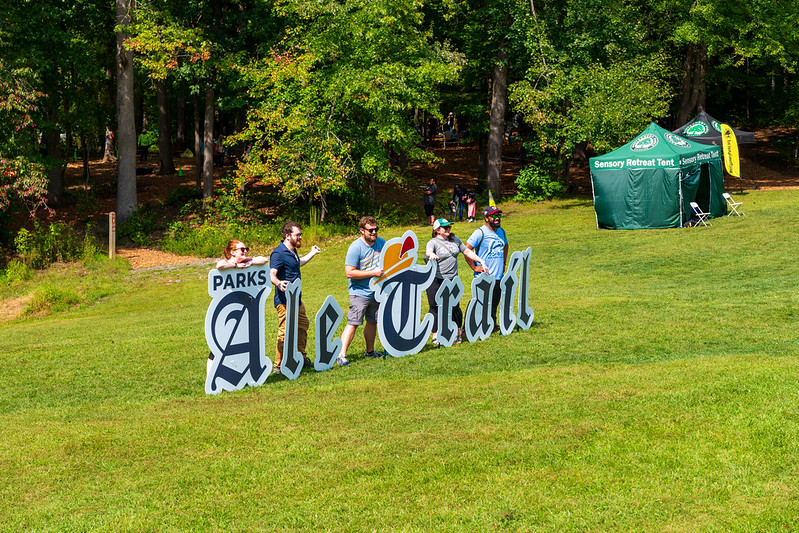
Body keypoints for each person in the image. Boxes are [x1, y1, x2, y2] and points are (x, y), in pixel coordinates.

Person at [425, 218, 488, 345]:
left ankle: (457, 333)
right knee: (435, 307)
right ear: (437, 230)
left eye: (449, 227)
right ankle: (436, 335)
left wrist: (481, 261)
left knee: (455, 307)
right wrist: (431, 255)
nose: (448, 229)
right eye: (445, 227)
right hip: (436, 279)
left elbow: (466, 251)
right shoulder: (433, 242)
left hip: (453, 279)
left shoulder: (455, 240)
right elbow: (428, 251)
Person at [209, 240, 268, 374]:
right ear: (232, 252)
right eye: (241, 249)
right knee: (220, 345)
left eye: (246, 249)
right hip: (226, 310)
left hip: (243, 310)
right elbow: (219, 265)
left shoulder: (247, 261)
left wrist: (250, 262)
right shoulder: (229, 264)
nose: (245, 251)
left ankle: (239, 374)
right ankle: (211, 376)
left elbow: (263, 259)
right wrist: (236, 266)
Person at [270, 221, 321, 374]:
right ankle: (278, 367)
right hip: (284, 301)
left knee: (302, 326)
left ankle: (301, 358)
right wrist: (279, 283)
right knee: (285, 332)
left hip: (297, 300)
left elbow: (297, 264)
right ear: (287, 236)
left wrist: (312, 253)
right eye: (297, 235)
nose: (300, 237)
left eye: (300, 234)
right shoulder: (278, 253)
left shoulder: (292, 251)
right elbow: (271, 274)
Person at [338, 216, 386, 366]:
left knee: (373, 321)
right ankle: (341, 354)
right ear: (362, 231)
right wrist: (373, 273)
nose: (374, 232)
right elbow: (349, 272)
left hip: (377, 291)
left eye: (376, 229)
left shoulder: (382, 243)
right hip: (359, 291)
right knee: (353, 322)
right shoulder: (355, 247)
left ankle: (370, 352)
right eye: (370, 230)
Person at [464, 206, 508, 328]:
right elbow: (466, 250)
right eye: (494, 216)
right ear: (486, 218)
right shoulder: (480, 233)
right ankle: (467, 327)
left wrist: (504, 262)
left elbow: (505, 245)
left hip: (498, 276)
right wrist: (474, 267)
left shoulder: (501, 231)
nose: (497, 218)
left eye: (498, 215)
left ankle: (491, 324)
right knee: (478, 302)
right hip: (484, 276)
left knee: (494, 302)